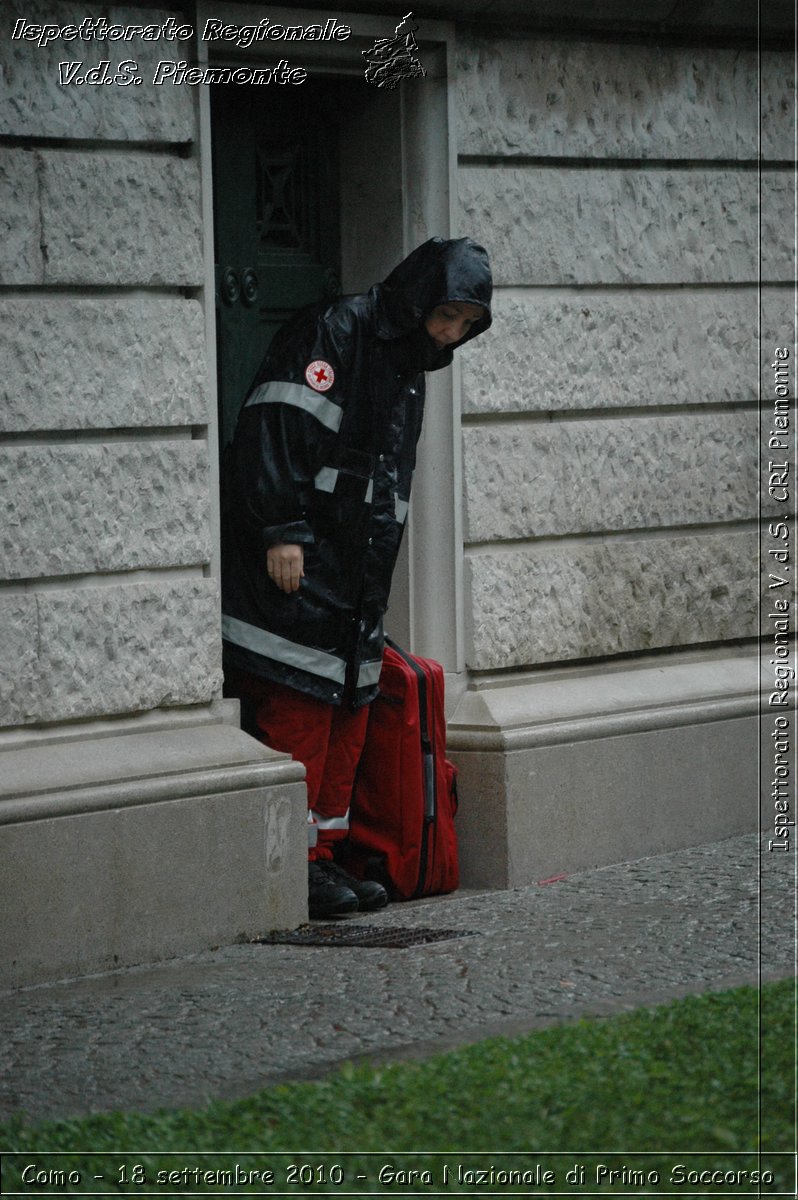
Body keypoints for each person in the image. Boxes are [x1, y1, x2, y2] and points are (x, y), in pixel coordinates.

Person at [221, 236, 492, 917]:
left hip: (352, 579)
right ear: (419, 296)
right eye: (447, 316)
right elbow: (275, 428)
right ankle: (302, 866)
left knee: (349, 713)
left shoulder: (407, 366)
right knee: (301, 711)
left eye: (464, 325)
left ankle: (327, 858)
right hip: (301, 566)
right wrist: (280, 529)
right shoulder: (336, 330)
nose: (451, 333)